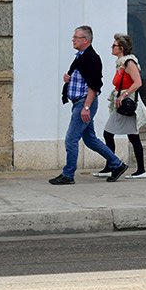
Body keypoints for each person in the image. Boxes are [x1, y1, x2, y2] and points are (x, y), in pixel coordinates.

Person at [50, 25, 128, 184]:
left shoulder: (92, 58)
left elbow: (94, 85)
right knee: (90, 139)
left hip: (84, 104)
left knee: (71, 139)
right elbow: (83, 78)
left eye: (76, 37)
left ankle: (68, 175)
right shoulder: (81, 56)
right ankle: (117, 164)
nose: (73, 39)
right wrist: (69, 78)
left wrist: (86, 107)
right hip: (79, 103)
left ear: (85, 40)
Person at [94, 32, 146, 179]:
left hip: (127, 104)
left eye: (114, 45)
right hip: (121, 103)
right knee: (129, 136)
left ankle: (138, 170)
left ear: (122, 48)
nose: (112, 47)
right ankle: (113, 167)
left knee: (112, 134)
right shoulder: (121, 63)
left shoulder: (129, 63)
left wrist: (123, 95)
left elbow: (138, 83)